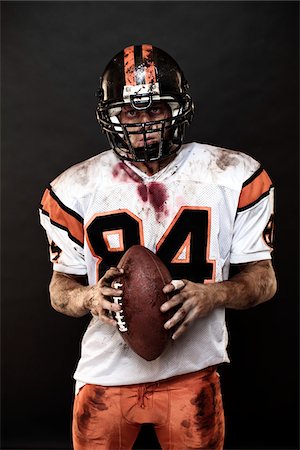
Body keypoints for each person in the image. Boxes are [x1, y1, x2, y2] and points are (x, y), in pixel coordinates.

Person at [39, 44, 277, 450]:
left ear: (178, 110)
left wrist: (212, 295)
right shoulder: (73, 189)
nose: (144, 123)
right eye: (130, 112)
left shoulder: (232, 175)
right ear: (111, 116)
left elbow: (264, 281)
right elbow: (59, 291)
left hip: (193, 372)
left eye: (156, 109)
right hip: (105, 378)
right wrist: (89, 297)